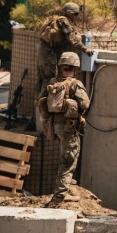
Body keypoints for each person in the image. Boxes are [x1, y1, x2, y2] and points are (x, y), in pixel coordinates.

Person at [40, 52, 90, 207]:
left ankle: (66, 187)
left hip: (55, 127)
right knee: (67, 161)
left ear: (61, 66)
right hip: (69, 128)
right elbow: (85, 104)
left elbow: (42, 102)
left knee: (65, 157)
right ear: (75, 68)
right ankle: (59, 197)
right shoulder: (75, 84)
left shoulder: (52, 82)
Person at [37, 2, 88, 96]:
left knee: (42, 77)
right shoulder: (64, 21)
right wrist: (85, 49)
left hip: (43, 50)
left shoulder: (56, 19)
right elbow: (72, 38)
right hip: (49, 52)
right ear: (69, 13)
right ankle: (46, 103)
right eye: (75, 14)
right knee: (50, 77)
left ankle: (39, 102)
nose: (76, 16)